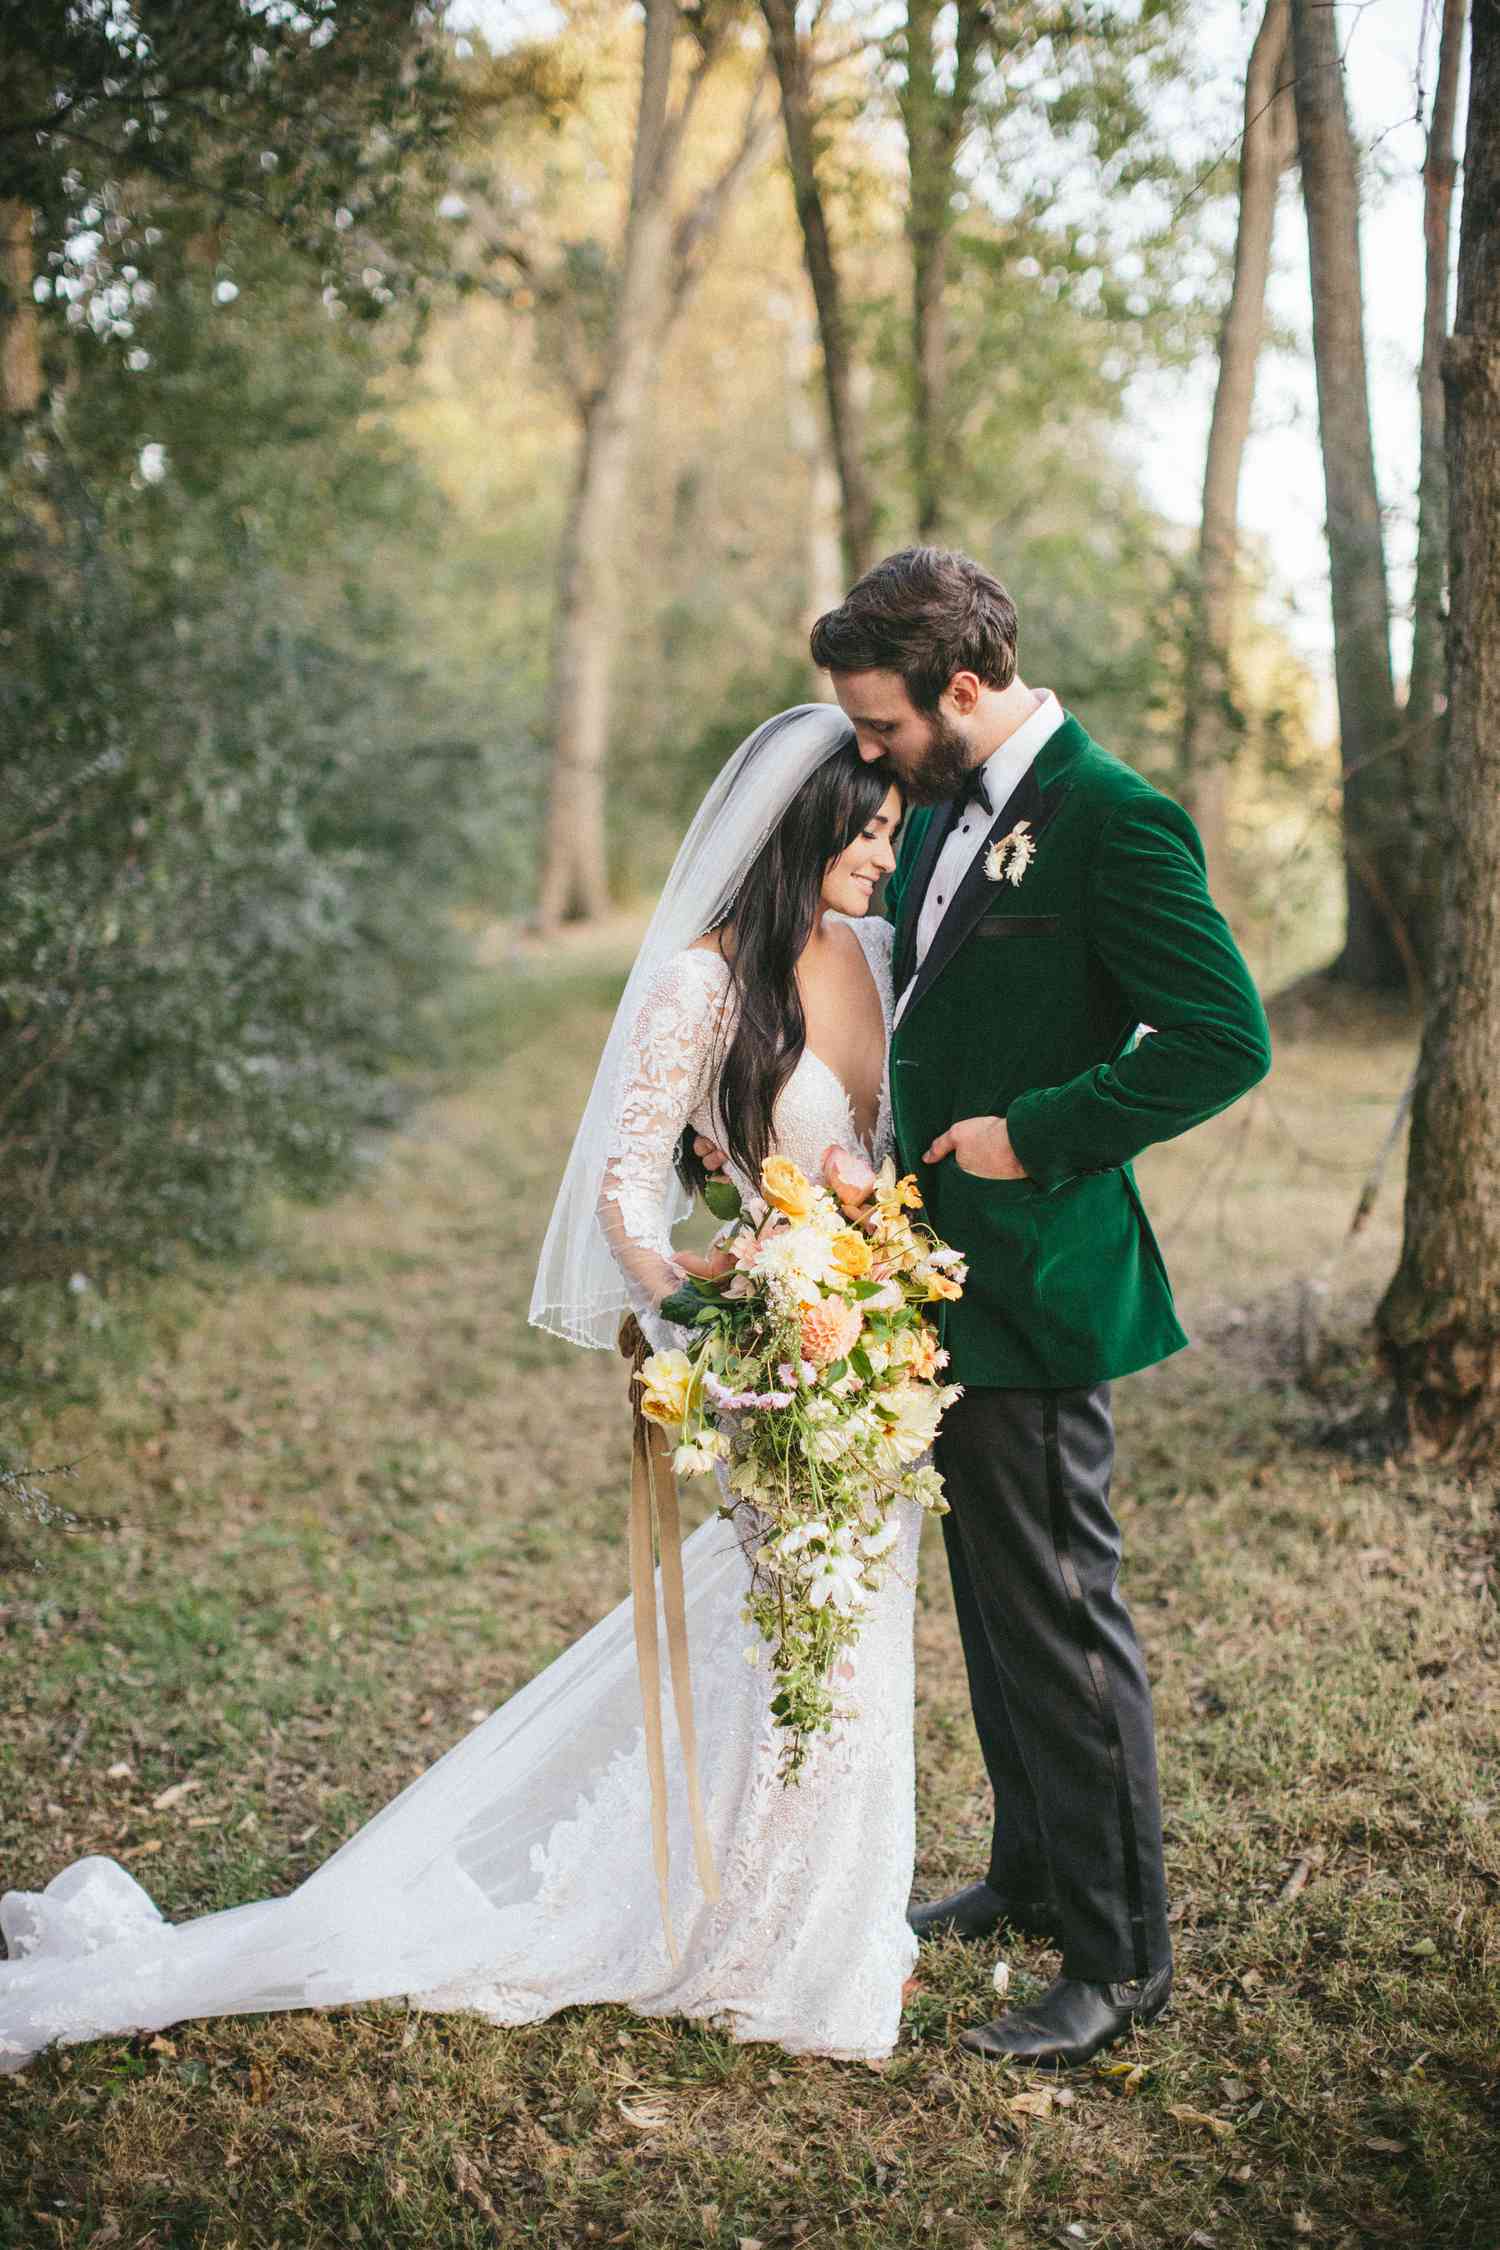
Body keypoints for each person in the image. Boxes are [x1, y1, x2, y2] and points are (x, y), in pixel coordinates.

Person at [0, 705, 924, 2075]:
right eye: (866, 835)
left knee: (851, 1637)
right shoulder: (699, 983)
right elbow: (624, 1183)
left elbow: (868, 1147)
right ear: (803, 829)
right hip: (772, 1350)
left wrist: (882, 1246)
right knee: (814, 1635)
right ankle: (763, 1945)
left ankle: (817, 1920)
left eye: (895, 833)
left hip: (879, 1349)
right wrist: (704, 1296)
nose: (883, 860)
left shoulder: (868, 953)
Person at [696, 548, 1272, 2069]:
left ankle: (1121, 1955)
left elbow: (1223, 1037)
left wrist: (1041, 1129)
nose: (867, 758)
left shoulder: (1114, 820)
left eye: (881, 726)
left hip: (1042, 1279)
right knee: (995, 1613)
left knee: (1065, 1617)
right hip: (932, 1289)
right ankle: (1028, 1871)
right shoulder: (954, 802)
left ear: (963, 688)